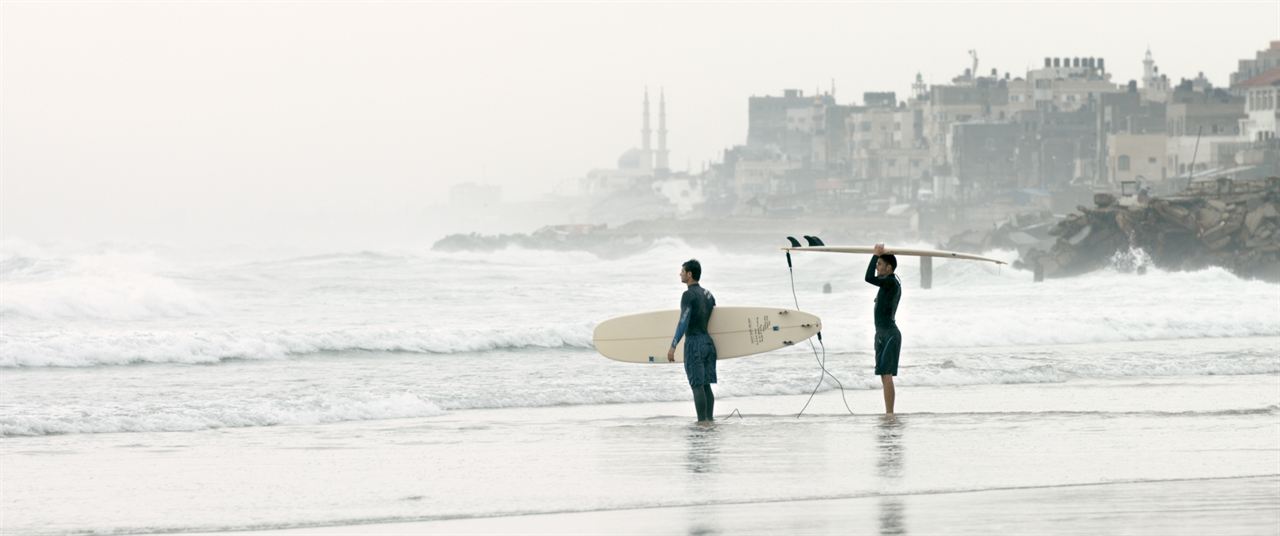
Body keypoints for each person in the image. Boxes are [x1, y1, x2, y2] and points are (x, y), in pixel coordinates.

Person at [667, 259, 717, 423]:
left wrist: (673, 346)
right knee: (706, 385)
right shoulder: (708, 295)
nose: (680, 274)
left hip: (694, 343)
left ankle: (702, 422)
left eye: (682, 271)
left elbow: (683, 321)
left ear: (689, 274)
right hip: (708, 344)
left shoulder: (688, 295)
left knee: (697, 386)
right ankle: (709, 420)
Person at [864, 243, 902, 415]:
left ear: (889, 267)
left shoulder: (891, 283)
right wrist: (878, 256)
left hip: (890, 334)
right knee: (883, 376)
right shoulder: (887, 283)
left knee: (887, 375)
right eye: (877, 264)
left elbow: (868, 278)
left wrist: (874, 255)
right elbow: (873, 278)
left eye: (880, 264)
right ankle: (889, 413)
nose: (877, 267)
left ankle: (890, 414)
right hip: (881, 334)